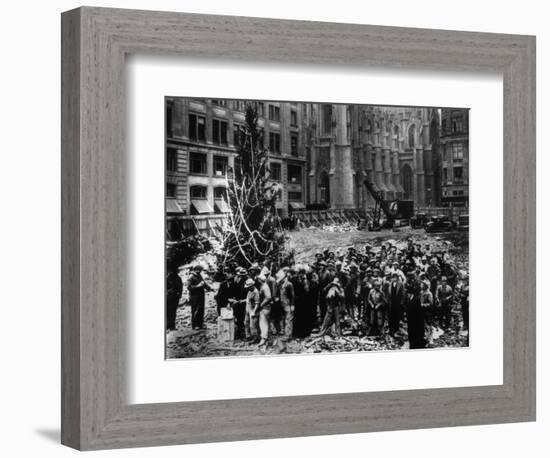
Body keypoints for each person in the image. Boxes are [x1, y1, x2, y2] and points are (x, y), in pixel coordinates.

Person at [187, 265, 212, 330]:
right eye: (199, 270)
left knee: (201, 310)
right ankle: (195, 325)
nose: (200, 271)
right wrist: (198, 286)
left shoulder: (199, 276)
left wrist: (209, 288)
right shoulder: (191, 277)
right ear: (196, 270)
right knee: (195, 310)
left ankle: (200, 324)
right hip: (194, 296)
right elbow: (189, 287)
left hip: (201, 295)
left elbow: (203, 283)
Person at [405, 275, 426, 349]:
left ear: (411, 293)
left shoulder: (416, 300)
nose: (407, 295)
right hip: (411, 321)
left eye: (407, 293)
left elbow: (418, 313)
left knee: (415, 335)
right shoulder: (410, 299)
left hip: (415, 322)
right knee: (412, 334)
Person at [166, 262, 182, 331]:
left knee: (173, 311)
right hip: (168, 296)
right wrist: (168, 291)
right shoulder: (167, 278)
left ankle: (172, 326)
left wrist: (179, 295)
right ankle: (167, 326)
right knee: (168, 311)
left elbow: (181, 288)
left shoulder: (178, 278)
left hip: (175, 297)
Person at [256, 275, 272, 346]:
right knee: (264, 322)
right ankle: (266, 337)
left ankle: (264, 338)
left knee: (263, 323)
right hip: (265, 307)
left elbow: (268, 297)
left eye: (258, 279)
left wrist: (261, 304)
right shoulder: (263, 286)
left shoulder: (265, 287)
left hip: (265, 307)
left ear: (261, 280)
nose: (257, 280)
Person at [279, 269, 295, 339]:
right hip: (283, 304)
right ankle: (285, 333)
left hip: (288, 304)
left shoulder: (289, 284)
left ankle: (288, 335)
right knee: (285, 319)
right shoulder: (281, 284)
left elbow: (292, 295)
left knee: (289, 320)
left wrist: (292, 305)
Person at [244, 278, 260, 342]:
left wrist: (254, 311)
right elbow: (248, 299)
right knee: (246, 322)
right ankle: (248, 336)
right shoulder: (249, 291)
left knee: (253, 325)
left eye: (249, 287)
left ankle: (255, 338)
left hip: (253, 309)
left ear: (252, 285)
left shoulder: (256, 292)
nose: (248, 288)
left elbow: (257, 303)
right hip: (248, 307)